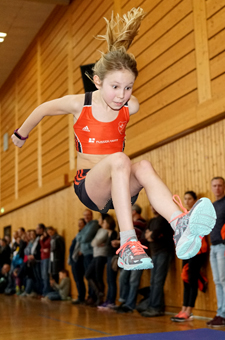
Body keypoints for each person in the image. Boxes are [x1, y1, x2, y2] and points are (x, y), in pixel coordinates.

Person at [11, 7, 216, 271]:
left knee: (142, 167)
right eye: (115, 87)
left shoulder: (131, 106)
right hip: (89, 185)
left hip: (119, 190)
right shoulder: (79, 104)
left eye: (128, 87)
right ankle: (128, 245)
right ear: (98, 81)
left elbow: (128, 101)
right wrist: (20, 133)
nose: (121, 95)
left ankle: (180, 224)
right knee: (120, 159)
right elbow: (42, 109)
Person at [171, 191, 209, 322]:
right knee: (185, 278)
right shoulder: (184, 214)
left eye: (189, 199)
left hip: (198, 250)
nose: (187, 201)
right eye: (185, 199)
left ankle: (189, 311)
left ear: (195, 200)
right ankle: (183, 309)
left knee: (192, 279)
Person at [141, 207, 174, 317]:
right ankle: (152, 305)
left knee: (158, 281)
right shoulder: (151, 221)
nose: (153, 208)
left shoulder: (163, 219)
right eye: (151, 205)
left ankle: (156, 307)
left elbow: (153, 235)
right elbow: (145, 237)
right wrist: (151, 235)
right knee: (153, 281)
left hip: (163, 252)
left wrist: (152, 235)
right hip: (154, 253)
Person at [207, 177, 225, 327]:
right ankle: (220, 313)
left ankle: (223, 314)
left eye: (220, 185)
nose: (217, 188)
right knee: (217, 281)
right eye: (215, 186)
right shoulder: (212, 206)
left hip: (223, 246)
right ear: (211, 188)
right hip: (213, 246)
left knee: (224, 281)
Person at [75, 209, 99, 304]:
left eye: (88, 215)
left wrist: (81, 236)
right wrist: (81, 236)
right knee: (87, 275)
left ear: (91, 215)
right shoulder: (86, 226)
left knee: (90, 276)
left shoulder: (94, 224)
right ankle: (90, 296)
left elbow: (85, 238)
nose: (86, 217)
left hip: (90, 253)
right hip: (85, 254)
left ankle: (93, 296)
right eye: (85, 215)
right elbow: (78, 236)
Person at [69, 218, 87, 304]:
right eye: (78, 223)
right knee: (77, 279)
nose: (79, 224)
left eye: (81, 223)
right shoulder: (78, 234)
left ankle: (82, 297)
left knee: (80, 279)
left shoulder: (85, 234)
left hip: (79, 259)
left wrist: (81, 251)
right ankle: (80, 296)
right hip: (74, 259)